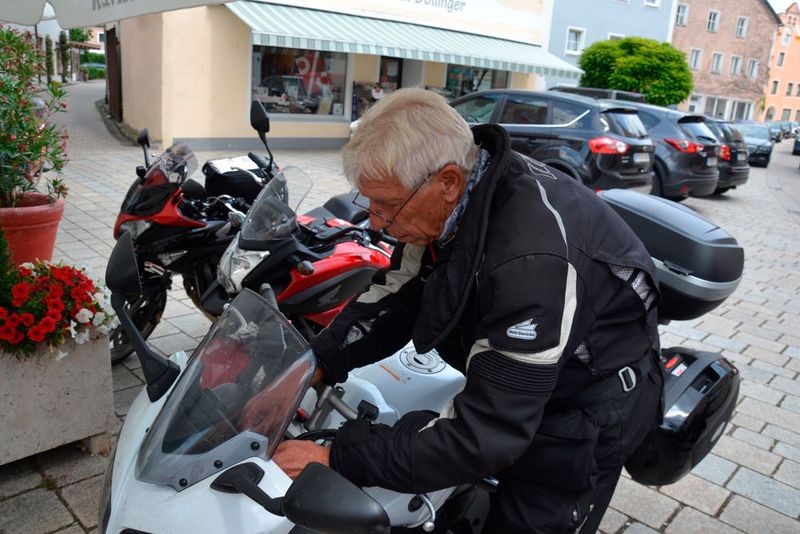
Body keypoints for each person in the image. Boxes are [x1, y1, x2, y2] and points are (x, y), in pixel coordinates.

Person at [273, 88, 663, 532]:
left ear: (448, 182)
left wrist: (336, 454)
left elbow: (487, 433)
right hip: (526, 381)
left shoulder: (531, 263)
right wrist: (316, 362)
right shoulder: (455, 201)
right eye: (370, 203)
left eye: (386, 205)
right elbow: (397, 294)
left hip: (583, 408)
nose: (376, 222)